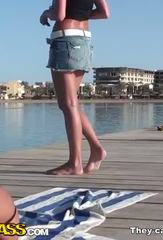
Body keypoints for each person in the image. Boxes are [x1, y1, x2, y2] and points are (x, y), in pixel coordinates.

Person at [40, 0, 110, 175]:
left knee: (68, 104)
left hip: (65, 40)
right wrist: (83, 15)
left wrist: (46, 13)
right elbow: (104, 13)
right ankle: (96, 148)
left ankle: (75, 163)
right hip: (84, 39)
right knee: (72, 103)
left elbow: (60, 15)